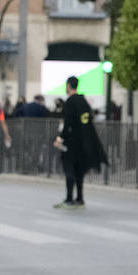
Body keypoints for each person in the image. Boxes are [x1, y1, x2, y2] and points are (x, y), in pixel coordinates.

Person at [53, 76, 104, 210]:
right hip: (84, 141)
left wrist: (60, 138)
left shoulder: (70, 102)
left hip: (71, 141)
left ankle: (69, 198)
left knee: (69, 168)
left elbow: (68, 122)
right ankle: (79, 198)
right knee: (79, 170)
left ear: (68, 86)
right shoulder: (83, 101)